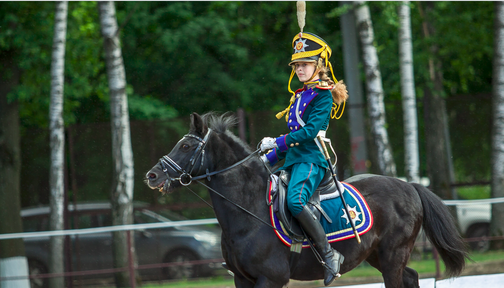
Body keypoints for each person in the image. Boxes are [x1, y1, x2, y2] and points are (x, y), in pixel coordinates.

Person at [259, 31, 348, 286]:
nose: (299, 69)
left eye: (304, 64)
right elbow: (294, 136)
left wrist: (277, 142)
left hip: (312, 159)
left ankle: (330, 256)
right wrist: (268, 158)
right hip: (294, 157)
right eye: (297, 65)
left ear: (318, 65)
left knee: (296, 202)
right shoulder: (299, 95)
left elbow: (308, 133)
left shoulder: (323, 95)